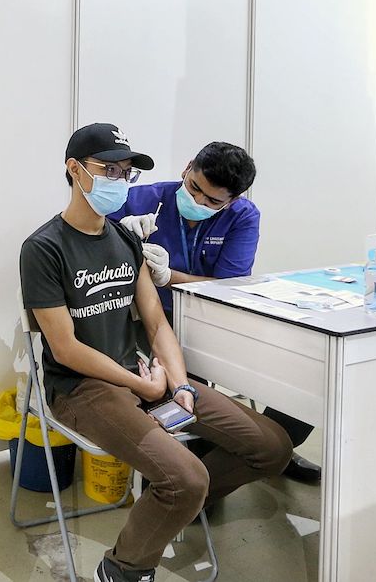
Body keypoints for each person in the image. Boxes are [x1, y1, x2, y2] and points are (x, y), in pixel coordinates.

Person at [20, 123, 292, 582]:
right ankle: (124, 568)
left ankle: (175, 504)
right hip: (83, 388)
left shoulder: (125, 239)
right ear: (74, 169)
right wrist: (141, 383)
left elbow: (157, 322)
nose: (118, 181)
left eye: (125, 172)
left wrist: (181, 384)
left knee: (272, 448)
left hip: (147, 373)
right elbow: (64, 349)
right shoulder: (44, 248)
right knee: (186, 478)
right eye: (108, 169)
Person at [110, 142, 321, 483]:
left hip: (215, 321)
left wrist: (168, 277)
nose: (198, 202)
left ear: (232, 200)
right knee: (183, 388)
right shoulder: (140, 200)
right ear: (187, 167)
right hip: (147, 322)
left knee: (307, 375)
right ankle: (203, 470)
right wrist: (118, 239)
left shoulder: (242, 217)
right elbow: (95, 265)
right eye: (194, 188)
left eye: (213, 201)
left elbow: (227, 286)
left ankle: (268, 449)